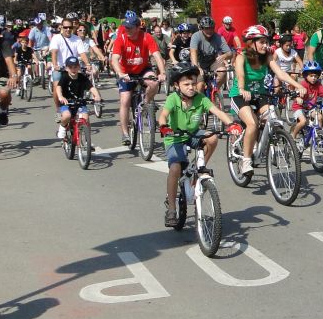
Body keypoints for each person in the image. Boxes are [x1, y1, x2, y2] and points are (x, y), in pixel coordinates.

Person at [158, 63, 241, 227]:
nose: (191, 87)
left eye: (193, 83)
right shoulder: (173, 99)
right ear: (177, 85)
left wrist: (231, 124)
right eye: (186, 84)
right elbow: (163, 115)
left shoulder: (201, 98)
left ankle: (197, 170)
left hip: (192, 133)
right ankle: (172, 209)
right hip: (174, 136)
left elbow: (218, 112)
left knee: (212, 138)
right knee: (175, 168)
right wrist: (164, 127)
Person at [230, 25, 305, 177]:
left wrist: (298, 85)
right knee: (252, 123)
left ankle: (264, 145)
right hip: (240, 95)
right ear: (251, 43)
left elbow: (280, 73)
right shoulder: (242, 56)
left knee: (273, 116)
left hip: (260, 95)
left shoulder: (267, 56)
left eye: (266, 41)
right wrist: (243, 89)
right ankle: (246, 161)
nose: (266, 45)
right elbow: (240, 76)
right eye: (262, 42)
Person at [111, 15, 166, 147]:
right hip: (126, 72)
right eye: (126, 27)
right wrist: (120, 73)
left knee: (153, 82)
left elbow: (157, 56)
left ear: (137, 28)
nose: (127, 30)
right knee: (125, 99)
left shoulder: (147, 37)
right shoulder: (121, 38)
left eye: (130, 28)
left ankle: (146, 105)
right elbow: (114, 59)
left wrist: (162, 72)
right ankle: (124, 133)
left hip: (143, 69)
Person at [289, 60, 323, 143]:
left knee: (320, 117)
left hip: (311, 107)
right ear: (306, 76)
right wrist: (298, 98)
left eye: (315, 76)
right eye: (311, 76)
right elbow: (296, 94)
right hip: (299, 107)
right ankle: (292, 137)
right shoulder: (303, 84)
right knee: (303, 121)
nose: (314, 78)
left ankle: (319, 134)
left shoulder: (318, 85)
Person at [54, 56, 102, 141]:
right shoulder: (65, 77)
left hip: (80, 102)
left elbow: (91, 87)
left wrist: (97, 95)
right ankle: (62, 127)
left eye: (75, 67)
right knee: (67, 115)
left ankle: (88, 141)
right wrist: (61, 96)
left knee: (86, 118)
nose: (73, 69)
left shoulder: (82, 77)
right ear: (66, 68)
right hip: (66, 102)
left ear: (79, 67)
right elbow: (58, 88)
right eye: (70, 67)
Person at [189, 16, 232, 94]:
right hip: (199, 63)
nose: (209, 31)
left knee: (223, 70)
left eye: (211, 28)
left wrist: (224, 56)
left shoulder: (218, 37)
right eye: (207, 28)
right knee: (200, 85)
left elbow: (229, 53)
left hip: (212, 62)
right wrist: (197, 67)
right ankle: (200, 101)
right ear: (202, 28)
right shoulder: (196, 36)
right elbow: (193, 52)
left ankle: (214, 90)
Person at [49, 17, 91, 92]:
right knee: (56, 87)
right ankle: (58, 104)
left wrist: (87, 64)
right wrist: (55, 65)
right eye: (65, 27)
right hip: (60, 68)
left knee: (82, 83)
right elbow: (54, 52)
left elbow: (82, 53)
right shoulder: (56, 38)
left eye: (70, 27)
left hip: (73, 67)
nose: (68, 29)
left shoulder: (77, 39)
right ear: (62, 27)